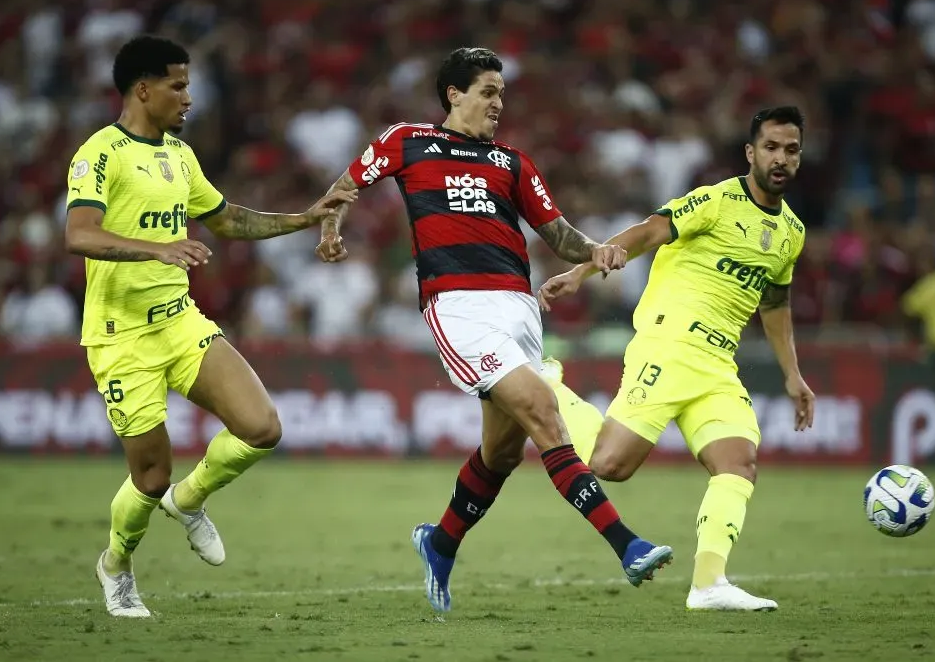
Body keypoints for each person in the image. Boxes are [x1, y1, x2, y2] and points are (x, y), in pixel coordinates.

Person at [314, 47, 672, 612]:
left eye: (501, 93)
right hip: (459, 308)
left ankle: (441, 541)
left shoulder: (512, 162)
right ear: (454, 94)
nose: (498, 103)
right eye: (488, 91)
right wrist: (331, 228)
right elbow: (345, 187)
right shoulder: (404, 140)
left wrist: (596, 250)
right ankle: (627, 545)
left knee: (501, 453)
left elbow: (555, 233)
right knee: (543, 411)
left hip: (518, 309)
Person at [64, 35, 356, 618]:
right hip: (121, 336)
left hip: (178, 321)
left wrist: (305, 217)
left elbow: (227, 220)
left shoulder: (179, 155)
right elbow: (79, 234)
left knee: (262, 427)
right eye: (178, 84)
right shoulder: (100, 154)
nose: (188, 97)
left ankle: (190, 500)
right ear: (143, 89)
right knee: (148, 476)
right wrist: (156, 249)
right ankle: (116, 565)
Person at [538, 106, 815, 611]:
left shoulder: (792, 232)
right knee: (609, 465)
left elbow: (774, 303)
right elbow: (647, 231)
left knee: (738, 463)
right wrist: (581, 271)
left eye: (791, 149)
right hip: (671, 344)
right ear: (751, 153)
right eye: (771, 148)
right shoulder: (714, 201)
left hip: (717, 365)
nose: (781, 158)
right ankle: (546, 387)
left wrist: (793, 376)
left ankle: (709, 584)